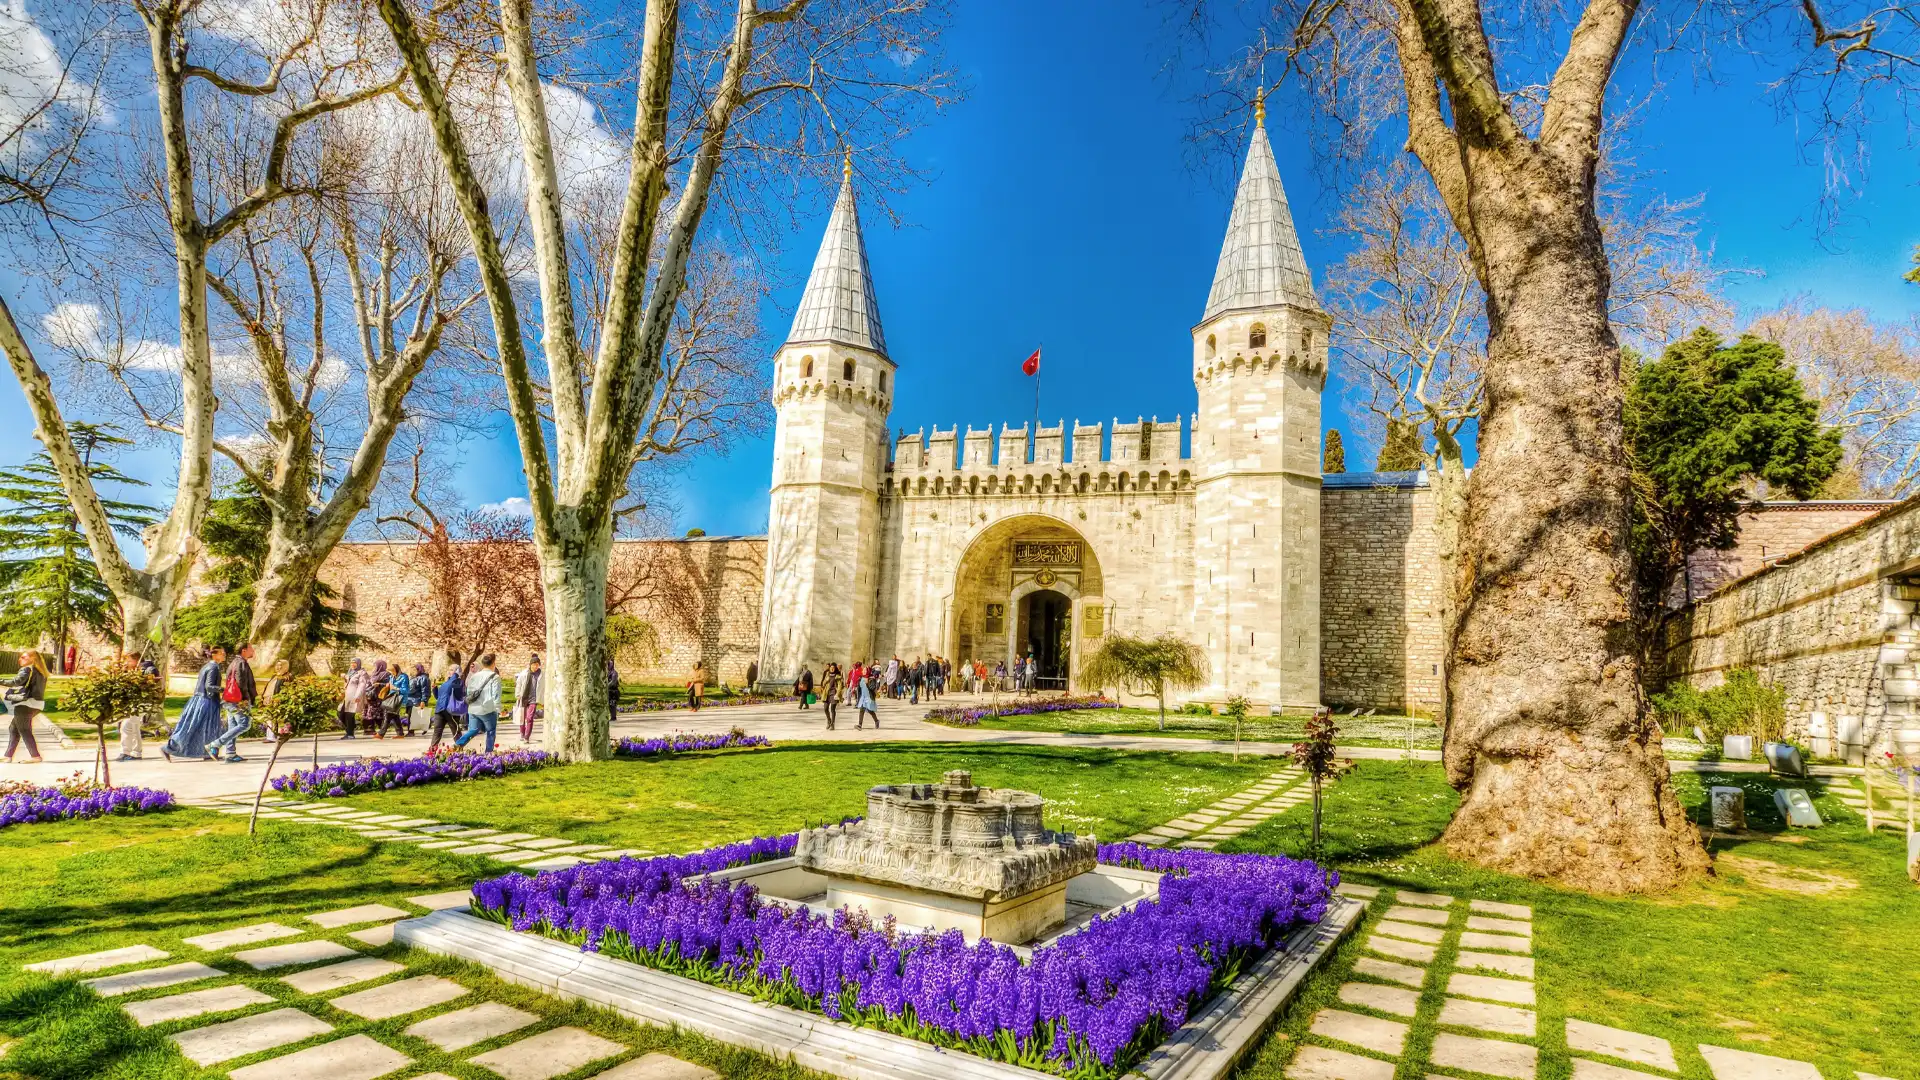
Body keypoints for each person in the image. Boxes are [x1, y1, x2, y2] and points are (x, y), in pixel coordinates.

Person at [162, 646, 228, 762]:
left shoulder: (207, 666)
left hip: (200, 700)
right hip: (207, 701)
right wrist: (225, 690)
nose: (224, 655)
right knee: (197, 728)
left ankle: (207, 753)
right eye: (222, 653)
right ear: (215, 655)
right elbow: (209, 687)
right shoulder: (213, 667)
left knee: (201, 728)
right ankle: (169, 748)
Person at [207, 643, 257, 762]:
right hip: (238, 700)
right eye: (251, 649)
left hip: (230, 699)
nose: (253, 651)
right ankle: (214, 744)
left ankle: (230, 753)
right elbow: (241, 683)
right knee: (244, 724)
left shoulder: (235, 662)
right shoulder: (241, 663)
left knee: (233, 726)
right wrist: (245, 700)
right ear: (244, 651)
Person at [2, 649, 50, 764]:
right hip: (36, 704)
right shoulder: (41, 671)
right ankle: (8, 756)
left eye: (23, 657)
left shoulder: (27, 669)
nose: (20, 659)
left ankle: (35, 756)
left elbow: (16, 681)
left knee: (24, 729)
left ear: (32, 658)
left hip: (25, 703)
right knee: (14, 728)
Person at [454, 652, 502, 752]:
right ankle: (488, 753)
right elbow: (496, 694)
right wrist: (497, 709)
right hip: (487, 709)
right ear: (493, 664)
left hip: (473, 708)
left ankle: (458, 744)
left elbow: (469, 692)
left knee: (473, 730)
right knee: (490, 731)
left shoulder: (474, 676)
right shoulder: (495, 677)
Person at [429, 653, 466, 750]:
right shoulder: (446, 682)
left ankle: (460, 748)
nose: (449, 672)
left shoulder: (458, 681)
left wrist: (456, 675)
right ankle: (432, 749)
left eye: (452, 670)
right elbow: (439, 697)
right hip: (440, 709)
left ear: (457, 672)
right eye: (449, 670)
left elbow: (458, 692)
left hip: (451, 710)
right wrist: (435, 690)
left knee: (455, 730)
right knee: (437, 730)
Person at [115, 653, 147, 760]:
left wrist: (139, 673)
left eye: (129, 661)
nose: (127, 663)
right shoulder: (133, 671)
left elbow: (150, 682)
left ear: (136, 660)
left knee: (129, 726)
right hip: (132, 703)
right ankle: (128, 752)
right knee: (129, 726)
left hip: (140, 703)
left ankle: (132, 752)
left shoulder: (147, 669)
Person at [513, 654, 542, 745]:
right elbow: (519, 684)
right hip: (524, 698)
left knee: (529, 718)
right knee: (522, 717)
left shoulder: (541, 674)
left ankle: (527, 736)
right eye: (534, 664)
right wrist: (517, 694)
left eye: (537, 664)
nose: (535, 666)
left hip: (534, 699)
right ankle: (522, 732)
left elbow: (543, 687)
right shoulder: (524, 673)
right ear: (530, 665)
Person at [338, 658, 369, 739]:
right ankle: (350, 729)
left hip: (354, 696)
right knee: (340, 713)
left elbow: (362, 685)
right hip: (347, 697)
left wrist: (357, 696)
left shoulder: (361, 673)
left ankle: (350, 734)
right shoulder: (351, 672)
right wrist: (345, 677)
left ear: (358, 663)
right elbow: (348, 683)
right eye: (351, 663)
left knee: (349, 715)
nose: (353, 664)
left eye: (354, 663)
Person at [856, 662, 880, 729]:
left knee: (870, 710)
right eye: (863, 670)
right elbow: (860, 688)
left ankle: (876, 721)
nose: (863, 671)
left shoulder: (871, 679)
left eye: (865, 670)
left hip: (869, 697)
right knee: (862, 709)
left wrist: (867, 683)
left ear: (868, 671)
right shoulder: (861, 678)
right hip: (863, 697)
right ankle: (860, 725)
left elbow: (873, 688)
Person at [820, 662, 843, 730]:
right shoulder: (827, 675)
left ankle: (832, 724)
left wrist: (837, 694)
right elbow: (823, 684)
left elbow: (839, 686)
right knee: (825, 708)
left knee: (832, 709)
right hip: (826, 694)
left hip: (834, 694)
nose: (832, 669)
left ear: (835, 668)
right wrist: (826, 681)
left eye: (833, 668)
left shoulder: (838, 676)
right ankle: (829, 720)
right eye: (831, 668)